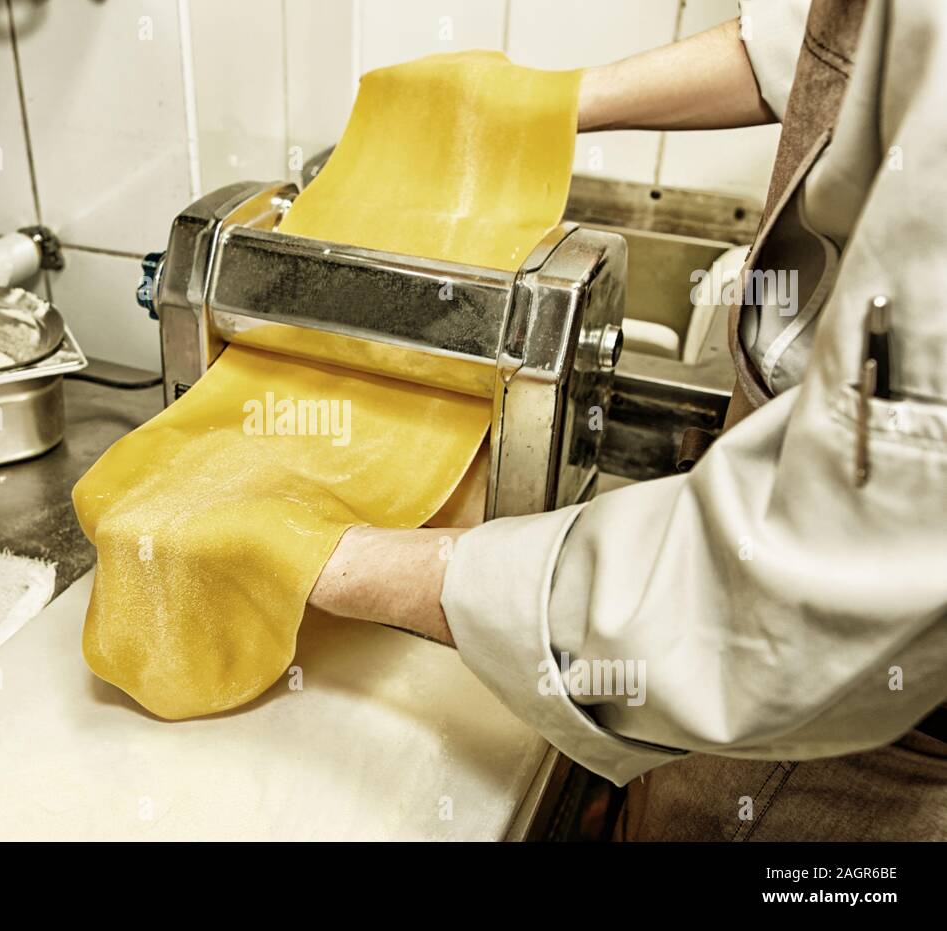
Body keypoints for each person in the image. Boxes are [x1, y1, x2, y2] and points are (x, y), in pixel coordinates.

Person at [308, 0, 947, 841]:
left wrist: (329, 558)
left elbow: (780, 599)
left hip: (872, 734)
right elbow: (833, 45)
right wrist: (545, 102)